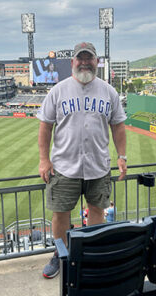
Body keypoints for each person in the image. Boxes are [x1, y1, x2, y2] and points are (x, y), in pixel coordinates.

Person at [37, 41, 127, 279]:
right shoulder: (58, 90)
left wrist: (122, 156)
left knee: (97, 211)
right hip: (64, 167)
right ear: (72, 62)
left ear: (97, 62)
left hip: (98, 166)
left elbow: (118, 126)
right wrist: (44, 160)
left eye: (90, 58)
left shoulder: (108, 91)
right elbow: (45, 127)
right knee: (61, 215)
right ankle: (60, 254)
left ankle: (92, 252)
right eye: (81, 58)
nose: (85, 62)